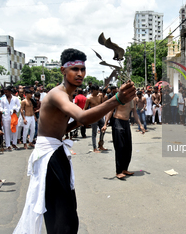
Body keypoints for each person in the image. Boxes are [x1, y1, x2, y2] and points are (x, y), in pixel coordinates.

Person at [13, 48, 136, 233]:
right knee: (61, 216)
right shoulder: (57, 94)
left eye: (83, 69)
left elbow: (70, 124)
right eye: (75, 69)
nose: (80, 73)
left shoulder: (68, 95)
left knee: (66, 212)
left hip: (56, 152)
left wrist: (79, 122)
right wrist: (116, 99)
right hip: (49, 156)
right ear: (63, 70)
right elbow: (84, 117)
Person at [102, 99, 145, 179]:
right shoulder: (120, 96)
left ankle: (125, 169)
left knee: (128, 147)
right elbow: (111, 111)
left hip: (126, 123)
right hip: (117, 121)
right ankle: (118, 171)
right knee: (120, 147)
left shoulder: (133, 100)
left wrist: (140, 125)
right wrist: (105, 124)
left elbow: (134, 112)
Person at [83, 84, 106, 153]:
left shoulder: (100, 95)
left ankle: (100, 144)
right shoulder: (89, 98)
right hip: (93, 117)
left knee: (103, 130)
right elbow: (85, 108)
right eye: (97, 90)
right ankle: (94, 147)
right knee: (94, 133)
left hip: (100, 116)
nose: (98, 91)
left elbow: (102, 104)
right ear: (93, 90)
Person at [0, 86, 21, 151]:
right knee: (7, 131)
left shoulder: (15, 98)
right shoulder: (3, 99)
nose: (5, 93)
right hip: (6, 116)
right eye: (4, 92)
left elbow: (19, 106)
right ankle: (8, 145)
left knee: (14, 130)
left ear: (10, 92)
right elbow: (1, 107)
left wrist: (16, 110)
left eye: (6, 92)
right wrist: (2, 111)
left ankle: (14, 143)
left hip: (13, 116)